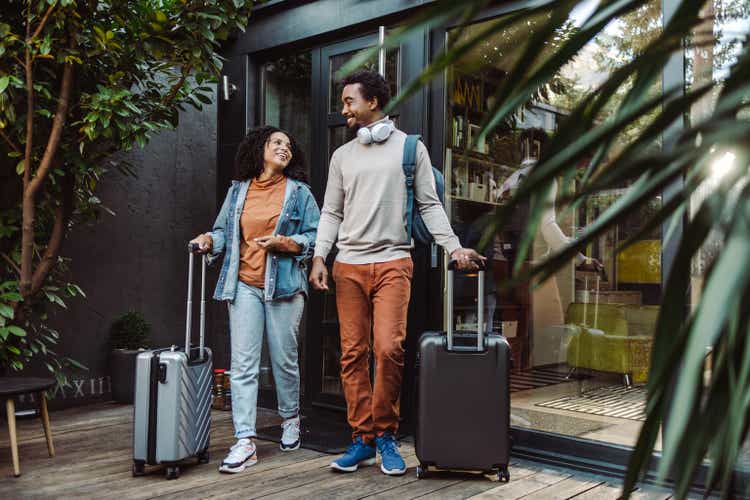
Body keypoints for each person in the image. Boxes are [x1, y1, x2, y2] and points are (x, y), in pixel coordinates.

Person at [309, 70, 484, 476]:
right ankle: (362, 439)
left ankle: (386, 433)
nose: (343, 109)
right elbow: (331, 211)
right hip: (348, 264)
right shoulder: (342, 157)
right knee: (353, 354)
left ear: (373, 102)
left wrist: (453, 246)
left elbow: (429, 205)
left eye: (349, 101)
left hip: (393, 262)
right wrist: (320, 257)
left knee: (388, 349)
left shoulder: (410, 149)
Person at [190, 126, 320, 473]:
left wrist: (288, 244)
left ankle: (290, 417)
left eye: (289, 145)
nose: (284, 148)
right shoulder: (237, 191)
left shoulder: (299, 193)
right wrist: (208, 239)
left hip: (284, 286)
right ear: (258, 149)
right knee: (243, 365)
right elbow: (222, 233)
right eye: (276, 142)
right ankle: (245, 440)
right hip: (243, 284)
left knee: (283, 359)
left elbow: (315, 235)